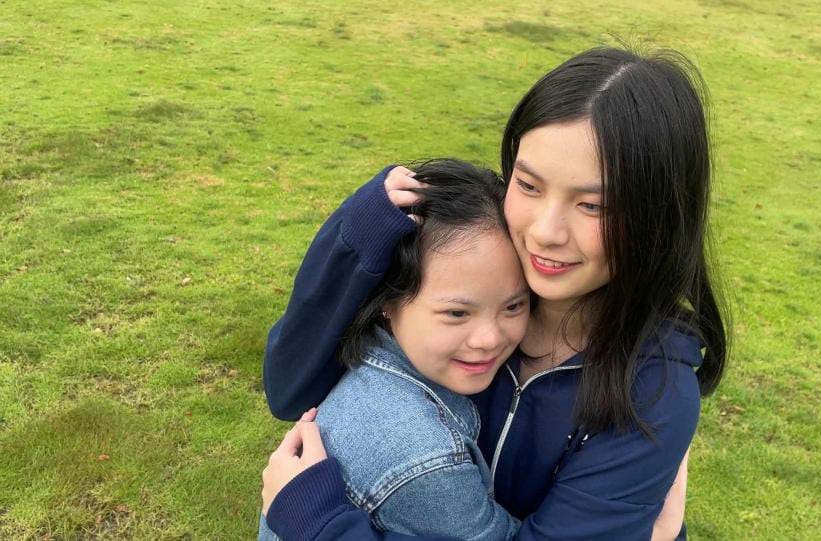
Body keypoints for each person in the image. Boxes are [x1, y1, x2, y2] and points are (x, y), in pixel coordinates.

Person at [261, 46, 727, 540]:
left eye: (593, 205)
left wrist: (322, 528)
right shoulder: (467, 270)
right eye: (528, 185)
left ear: (658, 219)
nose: (545, 232)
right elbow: (291, 390)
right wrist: (357, 239)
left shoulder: (651, 393)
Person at [258, 159, 529, 541]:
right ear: (389, 300)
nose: (489, 338)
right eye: (456, 313)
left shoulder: (369, 352)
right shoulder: (425, 458)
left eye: (514, 306)